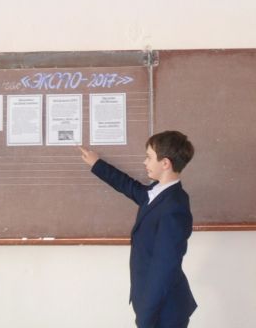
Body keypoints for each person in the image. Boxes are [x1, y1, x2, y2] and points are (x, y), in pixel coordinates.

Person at [79, 130, 197, 328]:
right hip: (154, 302)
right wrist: (97, 164)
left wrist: (145, 316)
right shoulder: (157, 193)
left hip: (164, 309)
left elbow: (164, 267)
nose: (145, 162)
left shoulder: (174, 207)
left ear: (165, 163)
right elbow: (128, 186)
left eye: (149, 157)